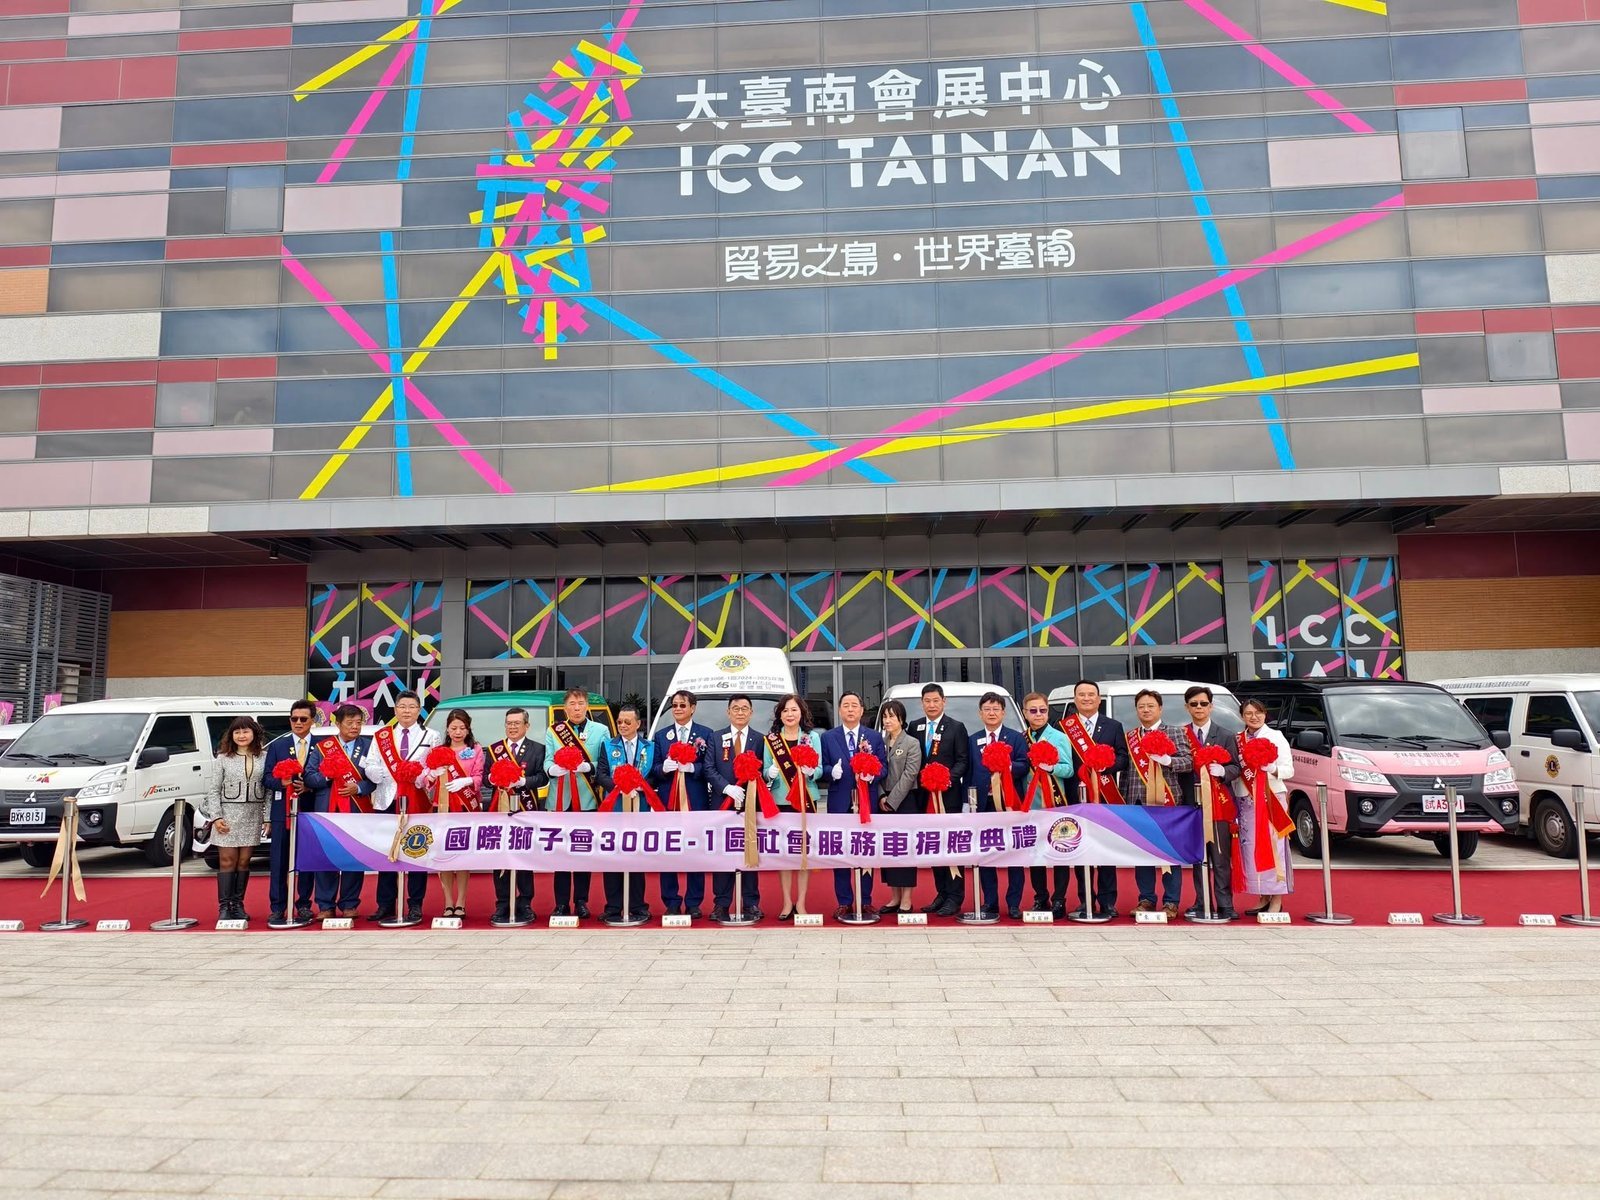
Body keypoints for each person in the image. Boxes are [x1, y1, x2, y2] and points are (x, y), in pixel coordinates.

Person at [362, 690, 440, 923]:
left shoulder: (431, 735)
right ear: (395, 709)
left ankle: (415, 904)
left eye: (412, 706)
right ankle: (385, 904)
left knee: (417, 851)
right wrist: (383, 773)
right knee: (388, 853)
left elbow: (435, 767)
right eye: (402, 706)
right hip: (387, 798)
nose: (407, 711)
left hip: (417, 798)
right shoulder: (382, 736)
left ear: (419, 710)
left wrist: (420, 776)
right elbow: (370, 764)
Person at [1058, 679, 1128, 917]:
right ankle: (1085, 898)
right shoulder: (1064, 727)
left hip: (1105, 795)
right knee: (1080, 848)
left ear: (1099, 699)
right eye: (1082, 695)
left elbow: (1123, 758)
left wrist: (1106, 765)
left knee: (1105, 848)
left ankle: (1108, 901)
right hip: (1075, 796)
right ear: (1075, 699)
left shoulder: (1113, 726)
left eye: (1091, 695)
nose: (1086, 698)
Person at [1122, 690, 1193, 919]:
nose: (1146, 710)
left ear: (1160, 708)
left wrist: (1169, 761)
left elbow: (1188, 761)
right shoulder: (1131, 736)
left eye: (1150, 706)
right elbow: (1127, 774)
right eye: (1141, 706)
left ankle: (1171, 902)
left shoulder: (1174, 732)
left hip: (1167, 802)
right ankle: (1146, 899)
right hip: (1138, 803)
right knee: (1142, 854)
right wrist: (1124, 800)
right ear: (1136, 710)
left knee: (1168, 853)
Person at [819, 691, 887, 920]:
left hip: (866, 801)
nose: (850, 709)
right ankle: (844, 901)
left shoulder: (874, 737)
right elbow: (821, 767)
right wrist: (832, 772)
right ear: (839, 710)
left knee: (865, 849)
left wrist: (872, 775)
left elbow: (883, 767)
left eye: (854, 705)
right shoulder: (828, 737)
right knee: (840, 852)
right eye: (846, 705)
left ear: (861, 710)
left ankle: (865, 900)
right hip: (839, 802)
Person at [650, 689, 715, 918]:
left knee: (695, 851)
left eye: (682, 705)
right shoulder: (661, 735)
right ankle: (671, 901)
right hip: (668, 803)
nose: (678, 709)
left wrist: (693, 768)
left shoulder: (705, 734)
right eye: (675, 705)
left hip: (695, 802)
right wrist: (663, 768)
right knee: (669, 851)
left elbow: (709, 768)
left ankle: (694, 902)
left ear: (692, 708)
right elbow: (653, 769)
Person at [906, 683, 969, 917]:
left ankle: (954, 897)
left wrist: (945, 779)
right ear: (921, 703)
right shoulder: (915, 726)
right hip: (924, 797)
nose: (931, 705)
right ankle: (941, 893)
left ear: (944, 701)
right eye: (927, 701)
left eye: (935, 700)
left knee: (951, 845)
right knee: (933, 845)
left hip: (948, 797)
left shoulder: (956, 727)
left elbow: (963, 761)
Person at [545, 688, 608, 919]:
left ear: (587, 706)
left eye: (581, 703)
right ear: (565, 708)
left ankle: (581, 901)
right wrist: (553, 769)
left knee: (583, 851)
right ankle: (561, 903)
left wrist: (588, 766)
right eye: (572, 704)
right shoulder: (554, 731)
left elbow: (605, 763)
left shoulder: (600, 730)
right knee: (561, 853)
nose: (577, 708)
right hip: (560, 800)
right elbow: (547, 761)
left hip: (587, 798)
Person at [1181, 685, 1242, 920]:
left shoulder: (1225, 735)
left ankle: (1225, 903)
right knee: (1199, 856)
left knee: (1220, 857)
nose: (1199, 708)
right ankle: (1202, 901)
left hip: (1219, 803)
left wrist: (1223, 771)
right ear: (1187, 707)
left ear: (1211, 706)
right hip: (1192, 804)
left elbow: (1236, 767)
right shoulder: (1181, 734)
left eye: (1203, 703)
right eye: (1194, 704)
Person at [480, 706, 547, 923]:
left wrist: (523, 781)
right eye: (509, 723)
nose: (512, 727)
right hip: (499, 809)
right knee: (500, 856)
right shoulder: (494, 750)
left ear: (527, 725)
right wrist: (493, 779)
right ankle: (502, 904)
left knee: (524, 856)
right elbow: (484, 778)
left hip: (525, 809)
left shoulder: (537, 749)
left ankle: (525, 903)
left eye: (517, 723)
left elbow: (543, 778)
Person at [202, 716, 270, 923]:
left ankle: (237, 904)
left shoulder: (264, 757)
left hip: (252, 814)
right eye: (237, 732)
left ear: (254, 733)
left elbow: (269, 791)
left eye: (246, 731)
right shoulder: (223, 758)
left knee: (244, 861)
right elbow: (213, 790)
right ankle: (224, 907)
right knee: (227, 861)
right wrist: (216, 817)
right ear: (231, 735)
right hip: (228, 815)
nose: (241, 735)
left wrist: (267, 818)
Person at [968, 692, 1029, 919]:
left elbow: (1024, 764)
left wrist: (1007, 765)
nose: (991, 713)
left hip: (1010, 804)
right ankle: (990, 902)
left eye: (996, 709)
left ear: (1003, 713)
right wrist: (968, 804)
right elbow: (969, 772)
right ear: (980, 713)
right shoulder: (972, 739)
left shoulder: (1015, 738)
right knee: (986, 855)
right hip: (983, 805)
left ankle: (1013, 904)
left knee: (1014, 854)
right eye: (987, 709)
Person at [307, 703, 372, 918]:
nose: (355, 727)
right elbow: (309, 777)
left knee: (353, 856)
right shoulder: (322, 748)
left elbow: (376, 779)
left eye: (358, 723)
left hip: (356, 809)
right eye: (350, 723)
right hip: (327, 811)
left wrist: (359, 787)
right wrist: (328, 775)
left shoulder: (368, 746)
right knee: (326, 857)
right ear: (338, 724)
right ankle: (325, 905)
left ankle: (349, 904)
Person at [1233, 697, 1295, 915]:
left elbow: (1289, 770)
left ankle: (1277, 898)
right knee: (1252, 847)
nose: (1254, 717)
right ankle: (1263, 895)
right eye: (1248, 713)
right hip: (1247, 799)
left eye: (1258, 712)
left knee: (1274, 847)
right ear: (1242, 716)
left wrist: (1271, 768)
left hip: (1271, 799)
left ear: (1265, 714)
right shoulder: (1238, 739)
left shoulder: (1275, 736)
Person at [706, 694, 765, 922]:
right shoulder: (716, 737)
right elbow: (709, 768)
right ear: (728, 712)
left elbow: (763, 769)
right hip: (722, 804)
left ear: (751, 712)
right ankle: (721, 904)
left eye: (744, 708)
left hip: (751, 803)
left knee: (750, 850)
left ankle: (751, 903)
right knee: (723, 853)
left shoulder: (759, 739)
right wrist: (726, 787)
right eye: (736, 708)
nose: (740, 712)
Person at [764, 694, 821, 921]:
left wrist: (812, 772)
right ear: (780, 714)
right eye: (785, 710)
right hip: (781, 800)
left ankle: (802, 902)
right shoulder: (771, 740)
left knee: (803, 853)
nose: (790, 714)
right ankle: (787, 901)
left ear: (802, 713)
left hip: (806, 799)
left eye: (794, 710)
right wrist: (769, 774)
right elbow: (765, 770)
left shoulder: (812, 737)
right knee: (785, 853)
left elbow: (820, 769)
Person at [263, 700, 320, 923]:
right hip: (282, 811)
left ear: (312, 721)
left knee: (307, 859)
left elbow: (325, 777)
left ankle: (304, 904)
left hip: (310, 809)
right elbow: (266, 778)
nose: (298, 723)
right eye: (294, 719)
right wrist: (282, 783)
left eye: (303, 719)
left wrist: (309, 786)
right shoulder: (278, 745)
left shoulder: (322, 745)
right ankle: (278, 906)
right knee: (279, 860)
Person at [597, 702, 654, 923]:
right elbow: (601, 774)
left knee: (636, 857)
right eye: (619, 721)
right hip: (615, 808)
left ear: (638, 724)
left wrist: (640, 785)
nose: (622, 725)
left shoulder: (650, 747)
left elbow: (656, 774)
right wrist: (618, 785)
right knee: (612, 858)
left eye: (627, 722)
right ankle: (613, 907)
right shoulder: (608, 745)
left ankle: (638, 906)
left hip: (640, 808)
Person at [1020, 692, 1074, 916]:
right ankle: (1040, 897)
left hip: (1055, 802)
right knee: (1036, 854)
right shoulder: (1022, 738)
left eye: (1042, 710)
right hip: (1031, 803)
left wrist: (1051, 768)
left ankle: (1059, 899)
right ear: (1025, 713)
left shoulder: (1059, 737)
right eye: (1033, 710)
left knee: (1060, 851)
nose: (1038, 714)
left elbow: (1069, 769)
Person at [426, 708, 481, 920]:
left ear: (468, 729)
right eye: (454, 728)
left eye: (462, 728)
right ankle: (448, 901)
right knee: (444, 857)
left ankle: (461, 902)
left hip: (465, 808)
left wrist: (466, 781)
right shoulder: (438, 751)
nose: (458, 732)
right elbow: (426, 781)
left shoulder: (475, 749)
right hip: (442, 808)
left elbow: (479, 777)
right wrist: (432, 775)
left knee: (462, 857)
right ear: (447, 729)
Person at [874, 699, 923, 915]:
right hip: (883, 801)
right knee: (889, 850)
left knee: (905, 850)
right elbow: (874, 771)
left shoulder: (912, 743)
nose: (887, 721)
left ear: (901, 719)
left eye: (892, 716)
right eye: (885, 717)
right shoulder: (879, 742)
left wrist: (892, 801)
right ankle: (894, 897)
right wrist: (881, 796)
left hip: (905, 803)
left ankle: (906, 899)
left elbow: (910, 775)